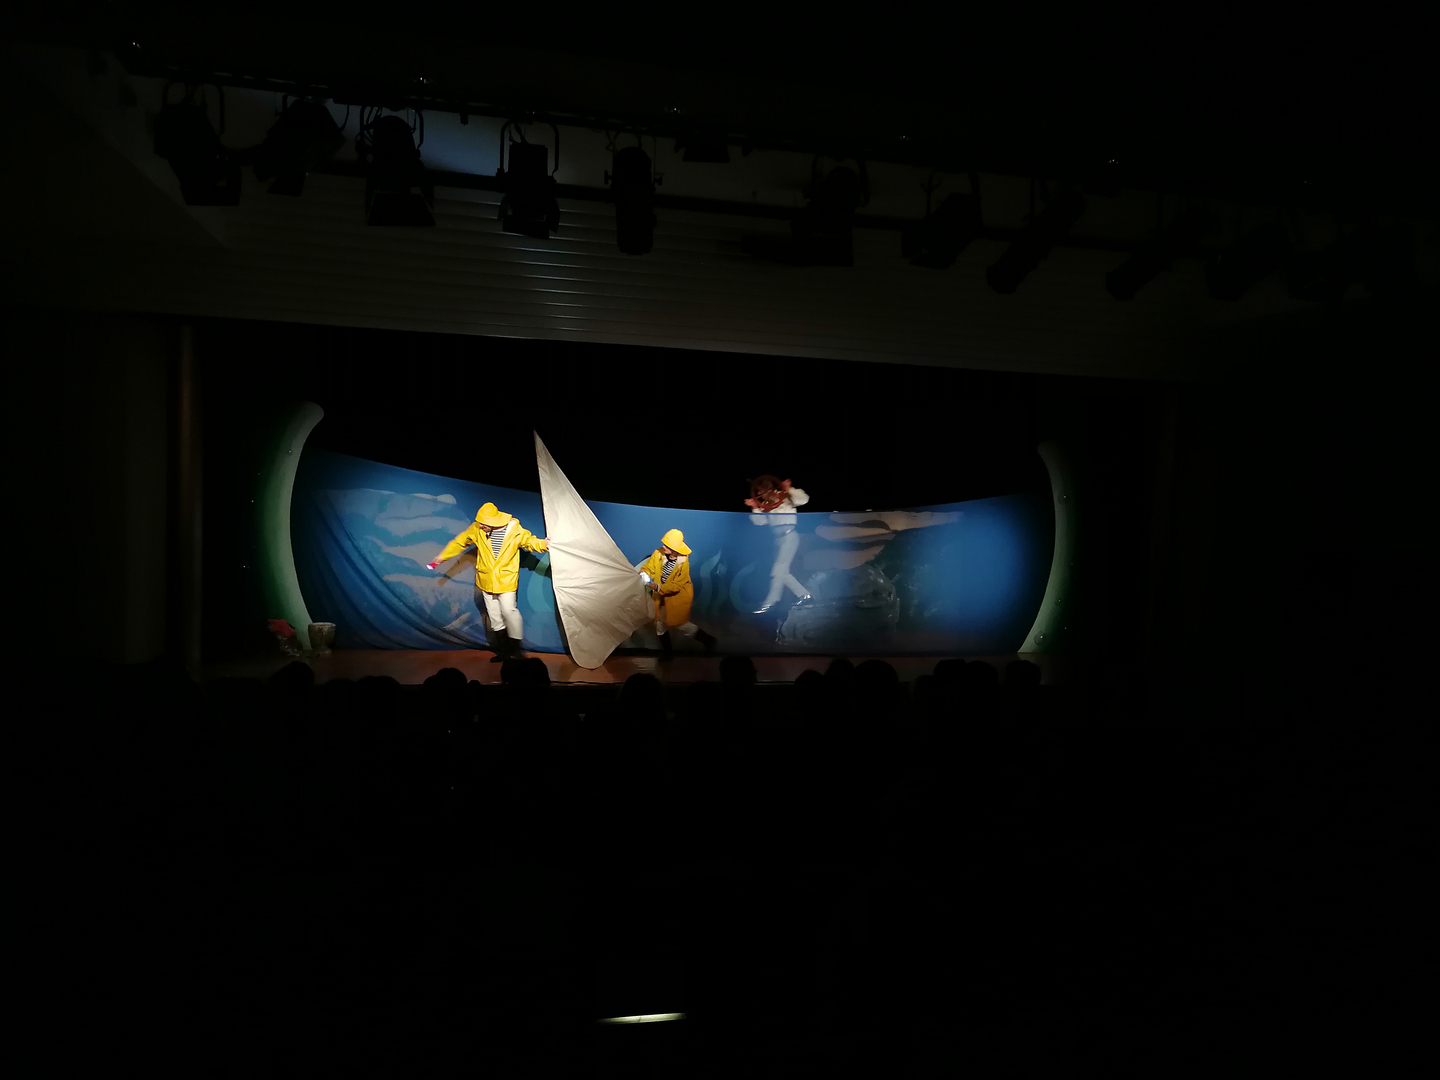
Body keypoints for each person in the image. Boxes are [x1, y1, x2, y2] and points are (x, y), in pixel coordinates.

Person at [428, 501, 549, 662]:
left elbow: (530, 542)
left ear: (493, 522)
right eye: (480, 523)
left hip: (506, 580)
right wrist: (443, 556)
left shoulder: (514, 530)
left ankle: (516, 650)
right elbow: (460, 542)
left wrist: (544, 544)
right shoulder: (477, 529)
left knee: (509, 611)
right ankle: (504, 651)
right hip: (486, 580)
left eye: (484, 524)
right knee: (494, 616)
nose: (481, 526)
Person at [636, 529, 717, 661]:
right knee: (660, 624)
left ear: (675, 549)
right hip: (660, 597)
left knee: (680, 624)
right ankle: (668, 653)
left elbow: (677, 585)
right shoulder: (658, 554)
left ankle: (708, 640)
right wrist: (644, 573)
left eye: (667, 546)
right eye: (664, 544)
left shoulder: (683, 563)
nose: (663, 547)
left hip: (675, 598)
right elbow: (649, 567)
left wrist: (657, 587)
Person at [745, 475, 812, 614]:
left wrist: (789, 489)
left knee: (777, 571)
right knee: (782, 573)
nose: (759, 494)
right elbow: (760, 522)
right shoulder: (766, 505)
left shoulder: (786, 498)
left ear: (768, 489)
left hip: (789, 537)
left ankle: (770, 602)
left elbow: (804, 499)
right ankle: (805, 595)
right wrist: (755, 507)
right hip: (778, 540)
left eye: (761, 491)